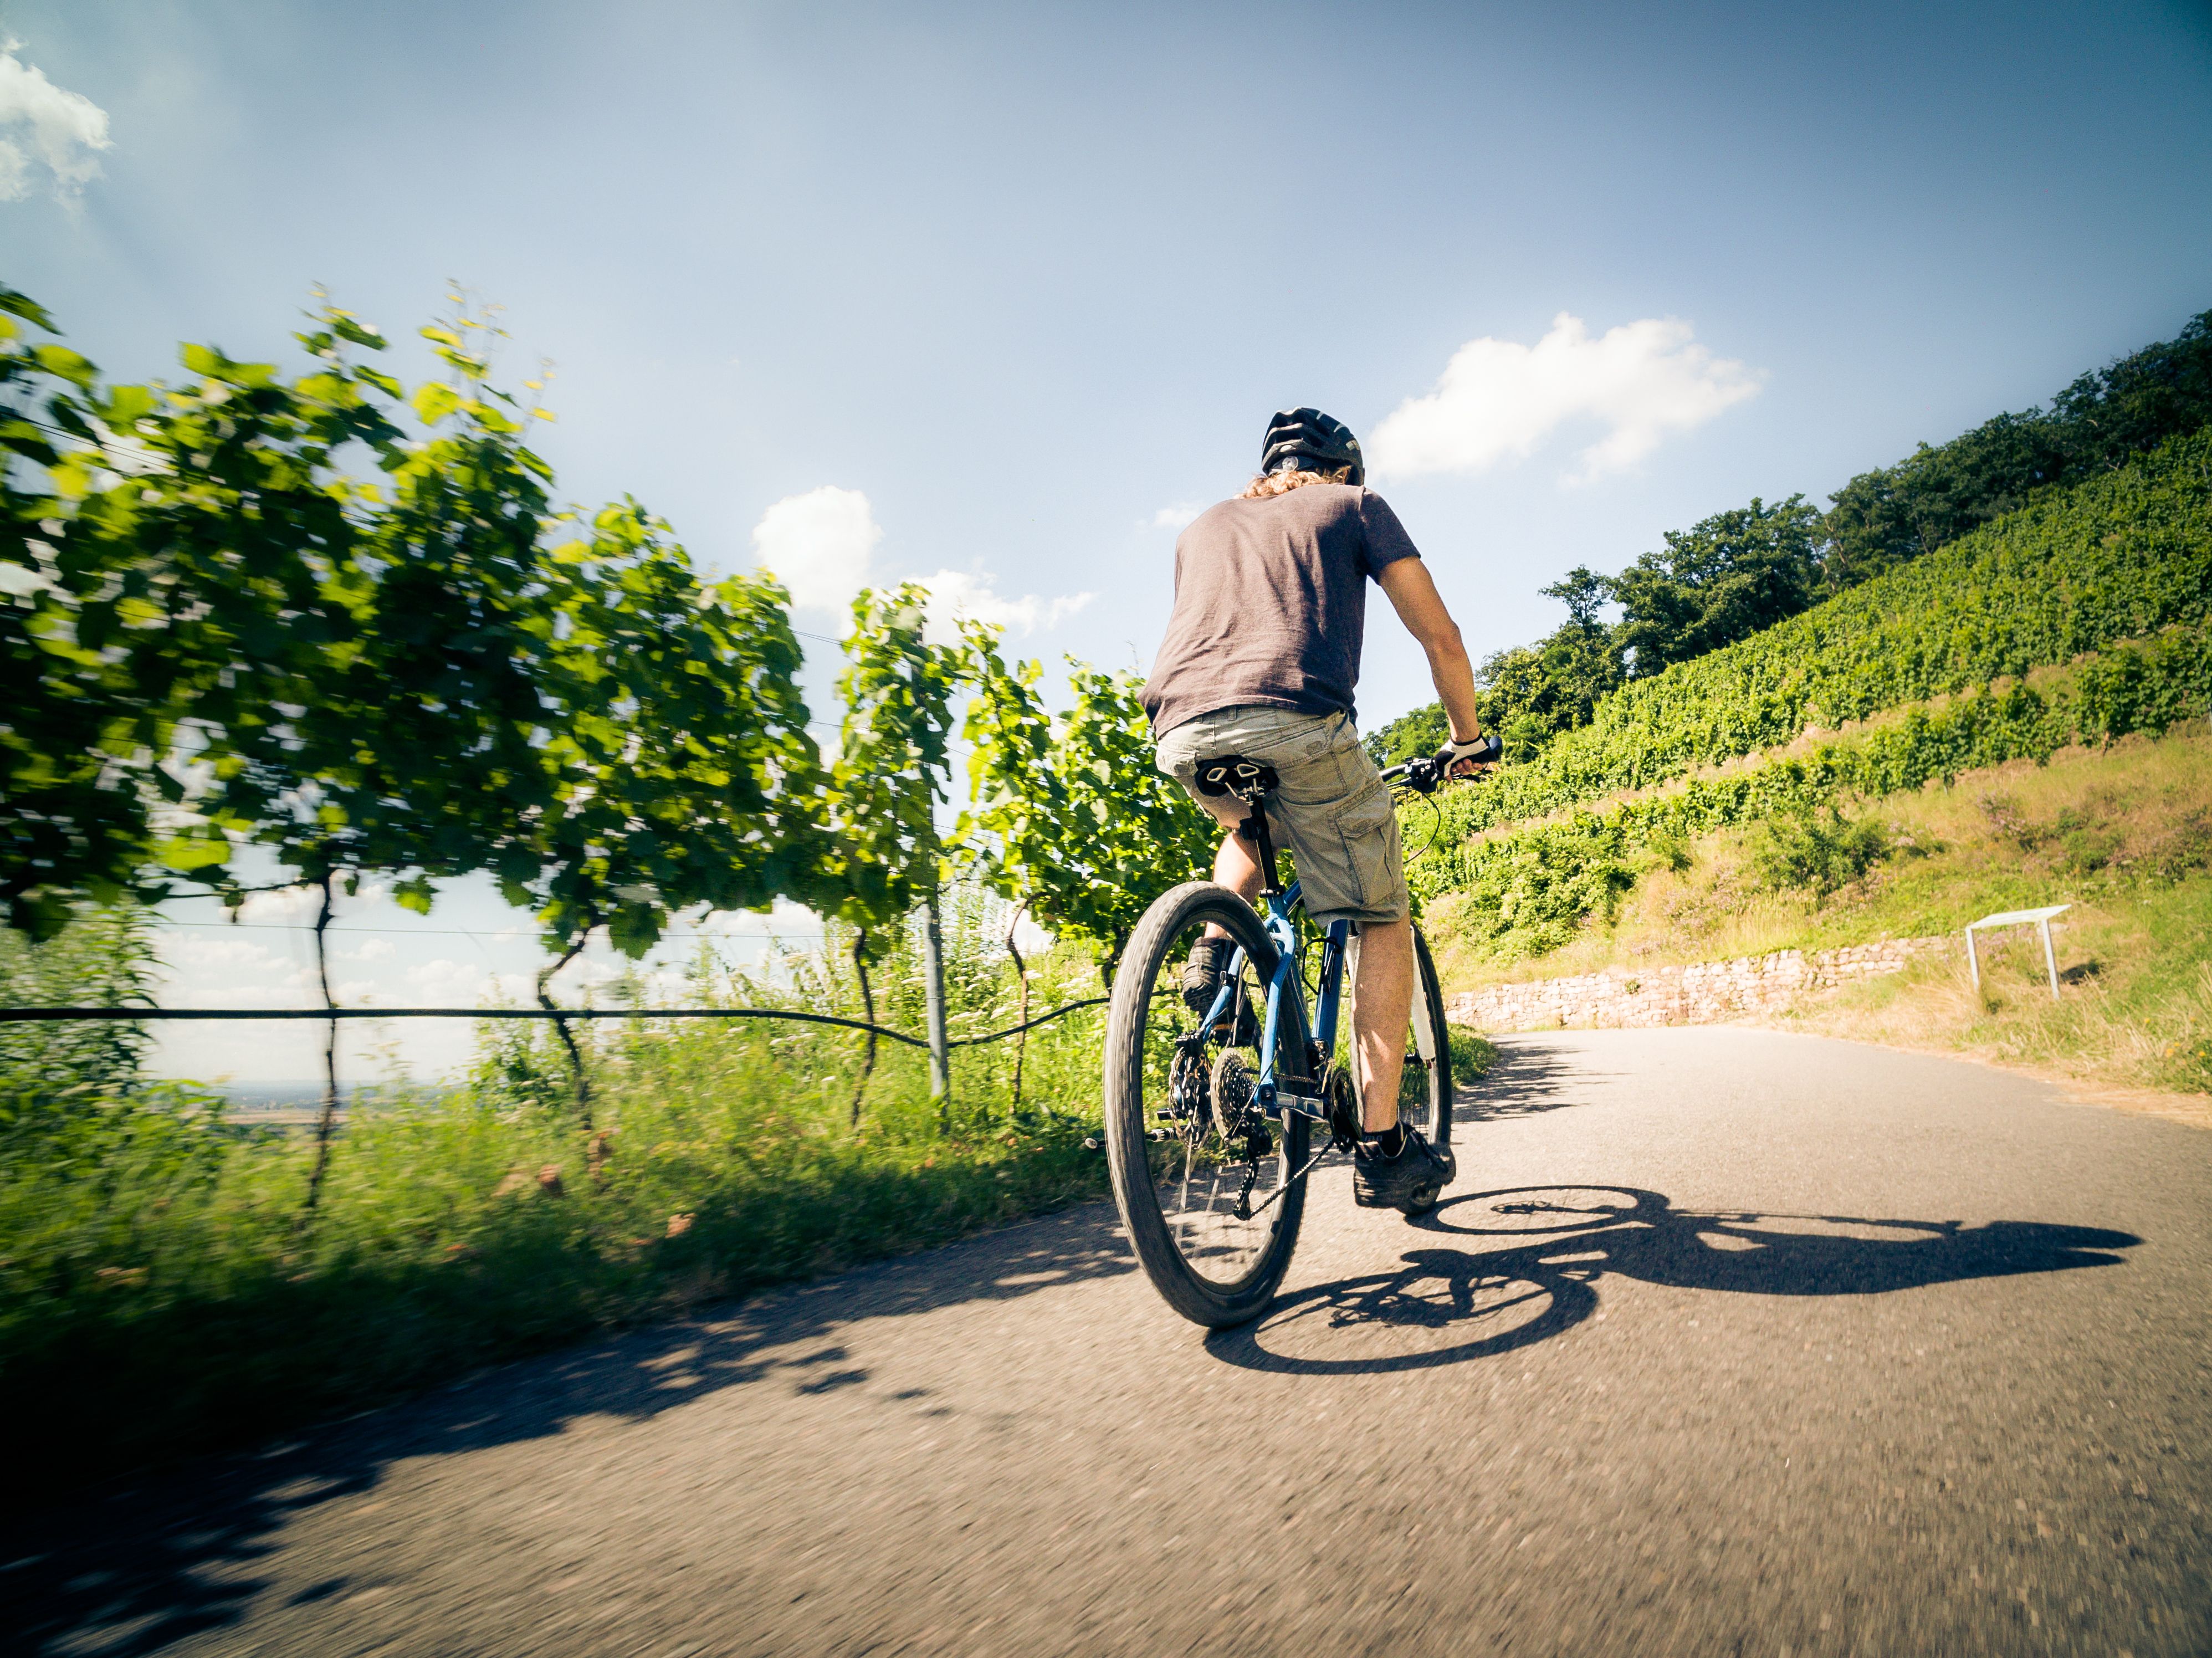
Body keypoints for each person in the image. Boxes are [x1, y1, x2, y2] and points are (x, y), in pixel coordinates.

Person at [1140, 407, 1490, 1212]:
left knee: (1248, 826)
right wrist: (1465, 740)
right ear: (1342, 471)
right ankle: (1381, 1146)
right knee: (1380, 915)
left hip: (1183, 729)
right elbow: (1442, 639)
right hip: (1296, 718)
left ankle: (1215, 960)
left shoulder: (1203, 527)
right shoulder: (1354, 507)